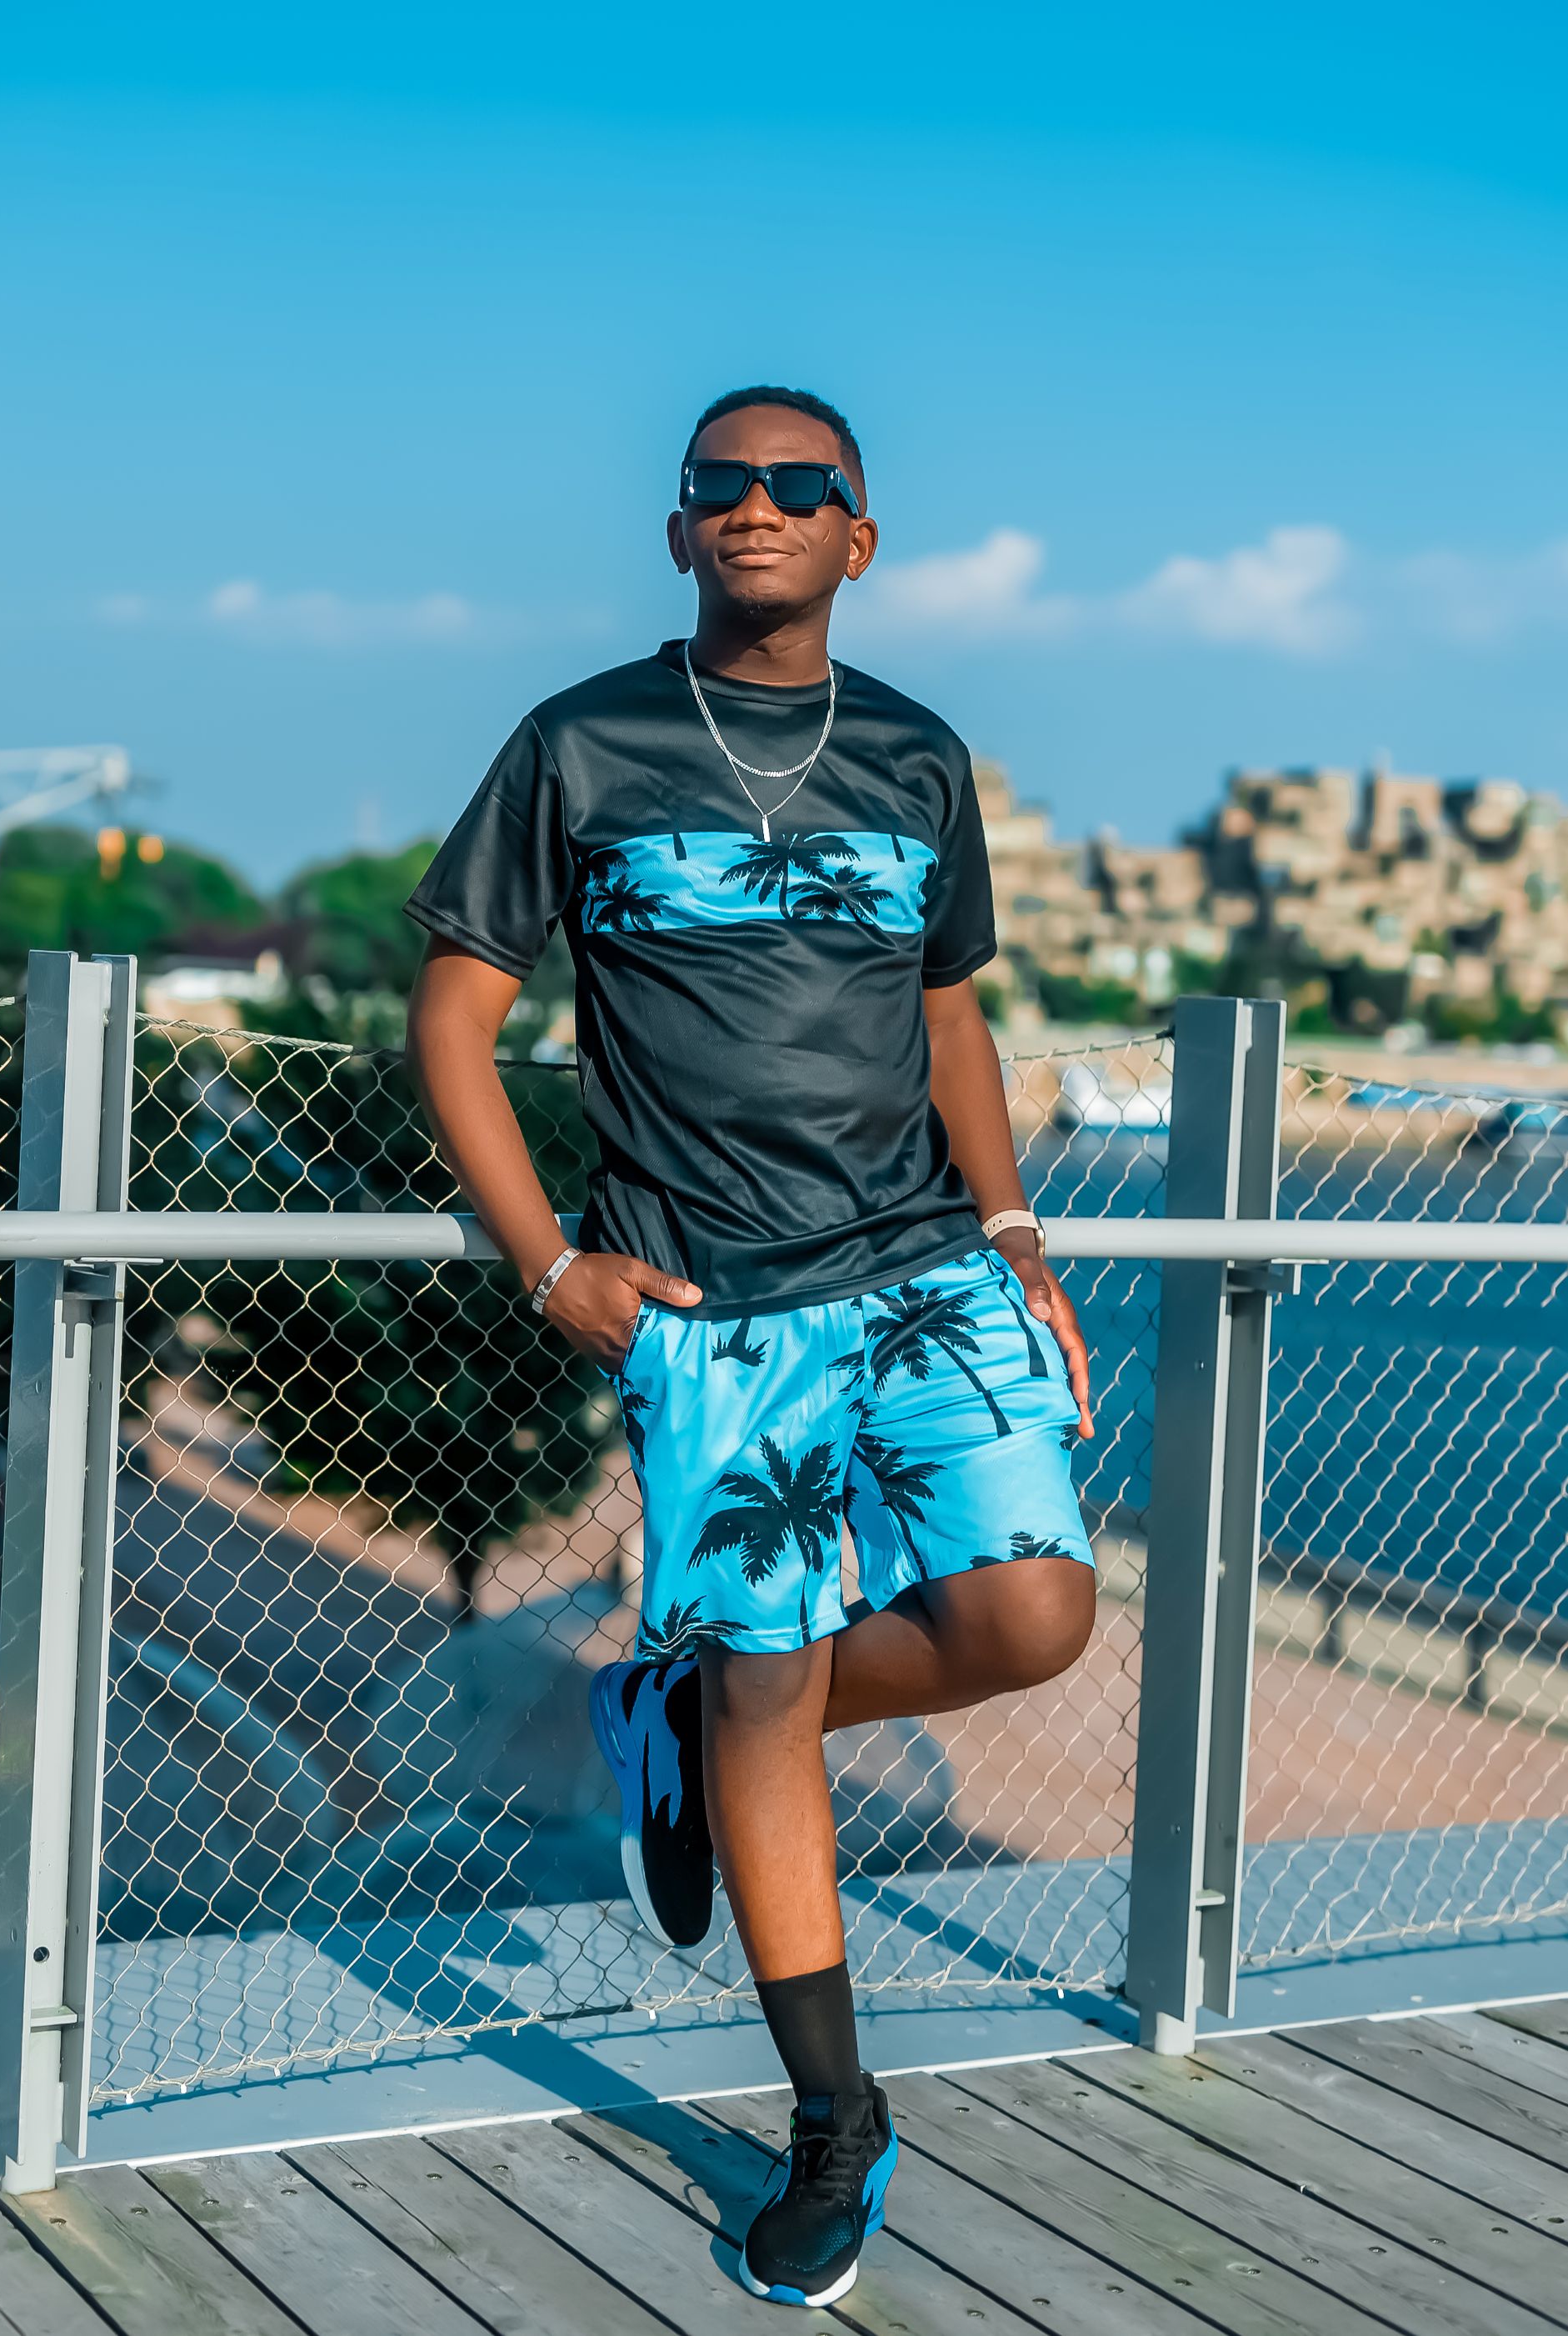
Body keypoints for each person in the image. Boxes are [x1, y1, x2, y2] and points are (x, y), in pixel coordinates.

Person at [406, 385, 1096, 2308]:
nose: (759, 505)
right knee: (770, 1689)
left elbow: (946, 1016)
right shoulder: (580, 743)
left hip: (926, 1269)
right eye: (722, 483)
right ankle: (833, 2116)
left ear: (859, 538)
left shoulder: (916, 753)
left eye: (804, 486)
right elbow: (452, 1019)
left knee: (1032, 1613)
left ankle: (686, 1723)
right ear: (679, 528)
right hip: (711, 1307)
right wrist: (549, 1264)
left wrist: (1016, 1230)